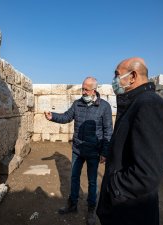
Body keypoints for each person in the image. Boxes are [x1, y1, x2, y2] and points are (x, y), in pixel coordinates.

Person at [96, 57, 163, 225]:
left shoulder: (150, 105)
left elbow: (147, 173)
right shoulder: (134, 103)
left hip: (129, 211)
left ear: (132, 76)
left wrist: (114, 188)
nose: (114, 81)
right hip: (123, 208)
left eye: (117, 75)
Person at [44, 77, 113, 225]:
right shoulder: (77, 104)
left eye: (86, 90)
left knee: (92, 182)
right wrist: (53, 117)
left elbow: (108, 132)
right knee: (74, 178)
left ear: (94, 90)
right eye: (82, 89)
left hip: (94, 151)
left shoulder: (105, 107)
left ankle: (91, 209)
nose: (83, 92)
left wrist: (105, 153)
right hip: (77, 149)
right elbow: (67, 117)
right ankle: (72, 204)